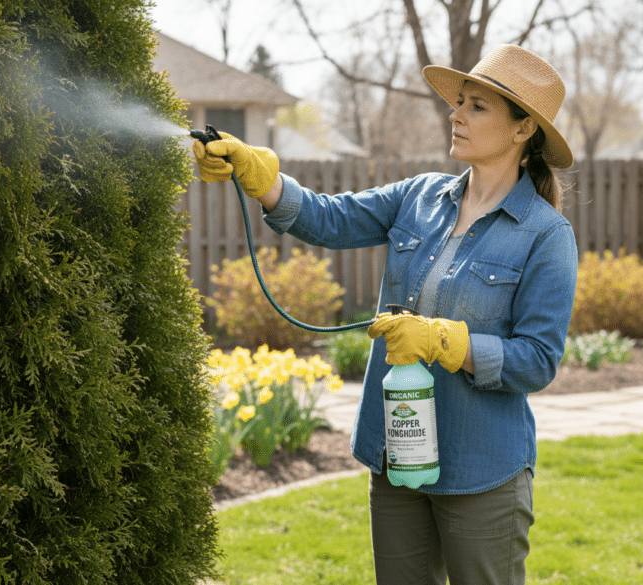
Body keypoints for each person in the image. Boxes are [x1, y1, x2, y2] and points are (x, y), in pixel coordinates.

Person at [193, 44, 578, 585]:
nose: (457, 114)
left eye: (478, 107)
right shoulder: (419, 196)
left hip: (482, 470)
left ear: (523, 130)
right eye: (459, 102)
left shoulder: (546, 235)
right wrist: (263, 178)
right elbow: (329, 219)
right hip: (398, 456)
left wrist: (448, 342)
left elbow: (537, 361)